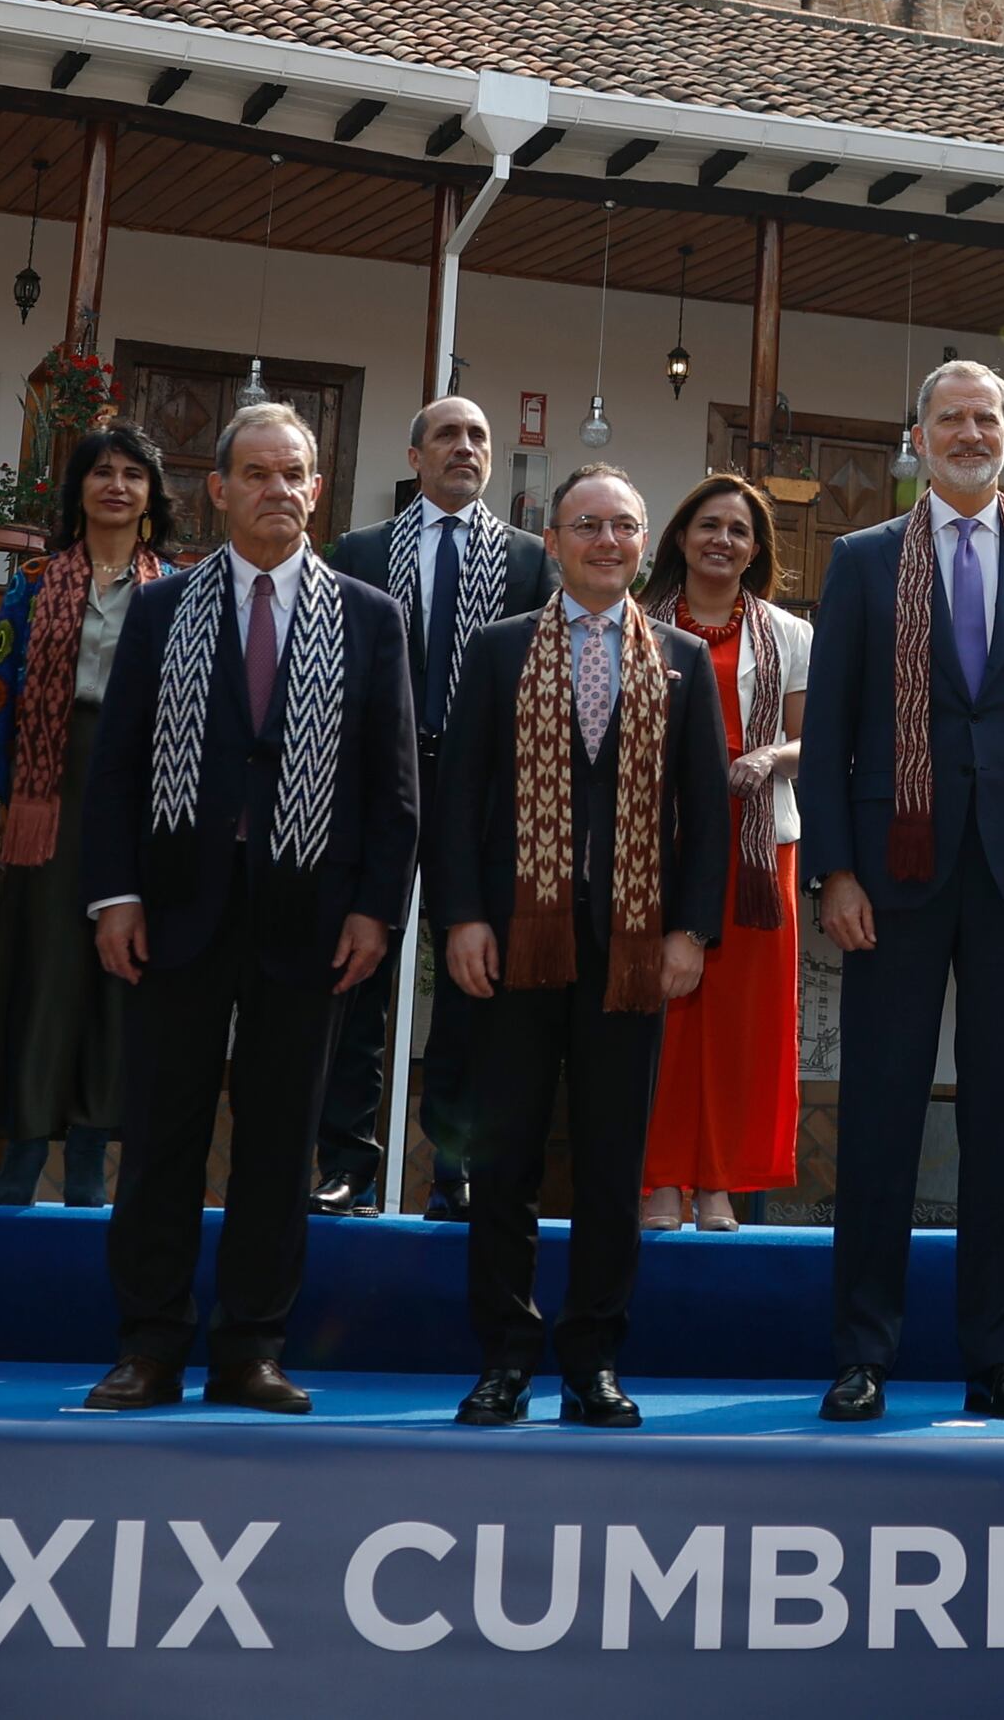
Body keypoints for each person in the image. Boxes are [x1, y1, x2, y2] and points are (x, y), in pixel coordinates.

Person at [78, 401, 415, 1413]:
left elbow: (393, 785)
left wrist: (374, 913)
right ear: (218, 490)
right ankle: (148, 1344)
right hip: (176, 909)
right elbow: (116, 768)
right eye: (257, 473)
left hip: (308, 917)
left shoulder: (369, 615)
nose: (278, 489)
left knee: (280, 1142)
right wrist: (114, 895)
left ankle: (252, 1348)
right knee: (162, 1132)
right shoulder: (159, 608)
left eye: (295, 473)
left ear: (317, 490)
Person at [796, 358, 1004, 1423]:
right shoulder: (862, 561)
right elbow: (829, 732)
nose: (968, 433)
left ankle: (999, 1355)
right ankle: (863, 1352)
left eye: (986, 418)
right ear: (916, 437)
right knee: (879, 1119)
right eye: (948, 418)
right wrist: (832, 868)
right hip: (891, 876)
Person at [439, 467, 732, 1428]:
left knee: (614, 1166)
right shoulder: (497, 651)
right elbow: (458, 796)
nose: (608, 540)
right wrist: (464, 917)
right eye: (589, 524)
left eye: (625, 525)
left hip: (633, 948)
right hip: (515, 941)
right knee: (507, 1158)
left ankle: (593, 1362)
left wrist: (692, 929)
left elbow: (707, 814)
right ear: (554, 537)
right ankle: (503, 1360)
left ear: (645, 541)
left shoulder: (681, 661)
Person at [316, 396, 535, 1218]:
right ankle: (348, 1165)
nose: (465, 447)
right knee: (358, 969)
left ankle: (455, 1166)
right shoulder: (362, 551)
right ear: (415, 455)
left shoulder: (526, 557)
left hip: (478, 787)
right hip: (377, 782)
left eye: (479, 436)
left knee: (473, 978)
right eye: (447, 434)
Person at [0, 421, 170, 1206]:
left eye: (132, 474)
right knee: (42, 969)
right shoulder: (33, 580)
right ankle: (24, 1148)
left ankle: (87, 1155)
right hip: (48, 792)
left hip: (142, 796)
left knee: (120, 974)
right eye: (101, 472)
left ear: (152, 494)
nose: (116, 485)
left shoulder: (175, 588)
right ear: (77, 489)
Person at [644, 469, 810, 1231]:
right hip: (652, 845)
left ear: (755, 550)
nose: (722, 539)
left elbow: (816, 737)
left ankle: (719, 1183)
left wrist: (772, 757)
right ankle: (661, 1179)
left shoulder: (792, 633)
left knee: (743, 1023)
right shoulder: (636, 619)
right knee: (664, 1013)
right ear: (681, 536)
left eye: (739, 530)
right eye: (709, 524)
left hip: (754, 847)